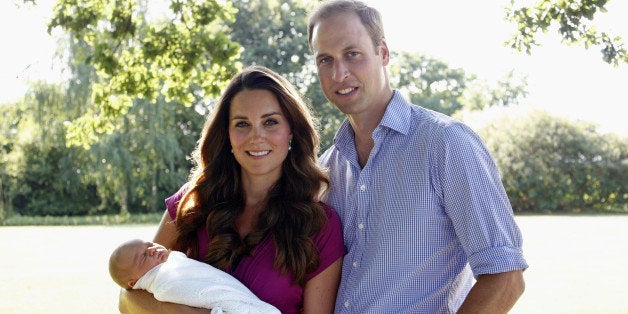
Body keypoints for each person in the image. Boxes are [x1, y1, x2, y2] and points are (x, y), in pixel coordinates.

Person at [307, 1, 528, 313]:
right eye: (325, 60)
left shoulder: (446, 143)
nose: (339, 73)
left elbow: (505, 277)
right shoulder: (329, 166)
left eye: (352, 54)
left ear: (383, 53)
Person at [118, 66, 345, 313]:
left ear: (291, 130)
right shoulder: (192, 201)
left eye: (270, 122)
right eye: (242, 124)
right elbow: (129, 298)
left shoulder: (320, 226)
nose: (256, 136)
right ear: (226, 133)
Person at [109, 239, 281, 314]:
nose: (153, 250)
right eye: (144, 256)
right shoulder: (164, 283)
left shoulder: (173, 262)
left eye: (150, 245)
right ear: (134, 281)